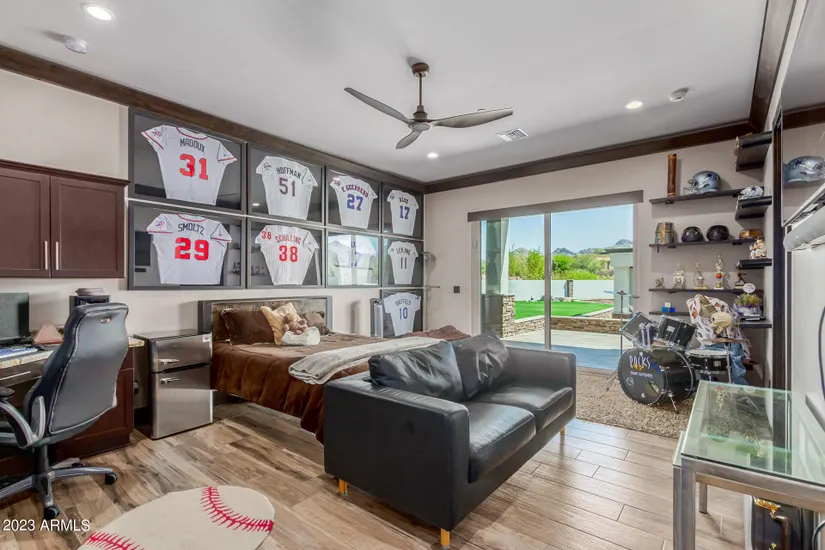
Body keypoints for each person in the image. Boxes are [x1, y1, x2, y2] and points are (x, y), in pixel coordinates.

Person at [686, 294, 749, 385]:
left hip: (730, 340)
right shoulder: (694, 307)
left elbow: (732, 329)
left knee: (737, 363)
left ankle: (739, 387)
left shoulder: (723, 307)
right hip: (709, 342)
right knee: (702, 362)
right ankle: (708, 385)